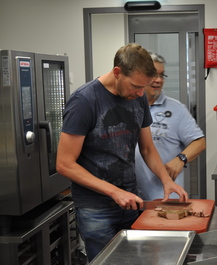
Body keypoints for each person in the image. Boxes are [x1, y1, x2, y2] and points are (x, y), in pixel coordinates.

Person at [56, 43, 188, 262]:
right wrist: (114, 192)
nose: (140, 94)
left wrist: (166, 180)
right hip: (96, 209)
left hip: (130, 201)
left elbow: (146, 147)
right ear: (117, 72)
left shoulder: (138, 98)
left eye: (143, 88)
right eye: (136, 86)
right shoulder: (84, 101)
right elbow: (64, 164)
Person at [135, 52, 206, 200]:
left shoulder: (176, 109)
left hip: (164, 196)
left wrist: (181, 159)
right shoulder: (127, 106)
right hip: (128, 197)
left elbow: (199, 142)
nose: (159, 80)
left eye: (162, 75)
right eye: (154, 75)